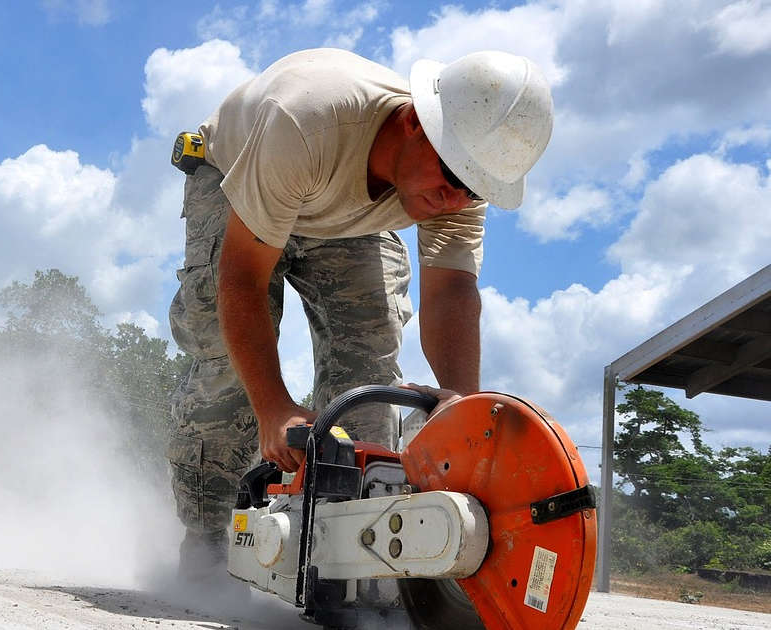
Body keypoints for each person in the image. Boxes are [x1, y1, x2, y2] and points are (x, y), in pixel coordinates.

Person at [166, 48, 554, 581]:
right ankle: (208, 551)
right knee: (231, 371)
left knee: (369, 374)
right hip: (242, 176)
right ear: (418, 122)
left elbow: (451, 292)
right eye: (451, 177)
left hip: (344, 213)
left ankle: (344, 560)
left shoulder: (460, 178)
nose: (455, 199)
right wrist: (275, 407)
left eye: (473, 189)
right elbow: (243, 280)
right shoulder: (305, 121)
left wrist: (459, 407)